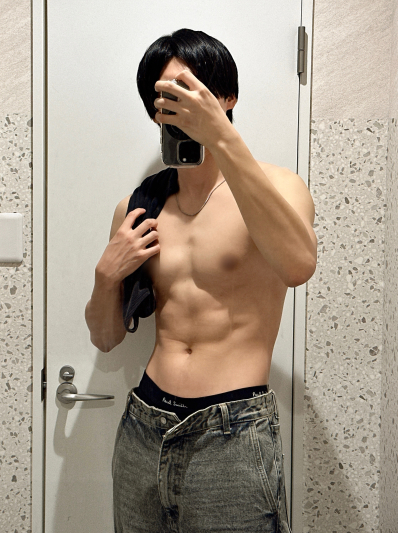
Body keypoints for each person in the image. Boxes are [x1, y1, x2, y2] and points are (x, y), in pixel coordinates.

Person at [85, 28, 317, 533]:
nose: (178, 105)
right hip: (145, 426)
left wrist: (222, 137)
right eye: (167, 95)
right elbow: (105, 338)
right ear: (154, 111)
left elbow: (298, 267)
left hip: (232, 433)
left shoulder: (280, 188)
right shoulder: (139, 208)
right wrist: (105, 277)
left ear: (226, 96)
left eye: (191, 90)